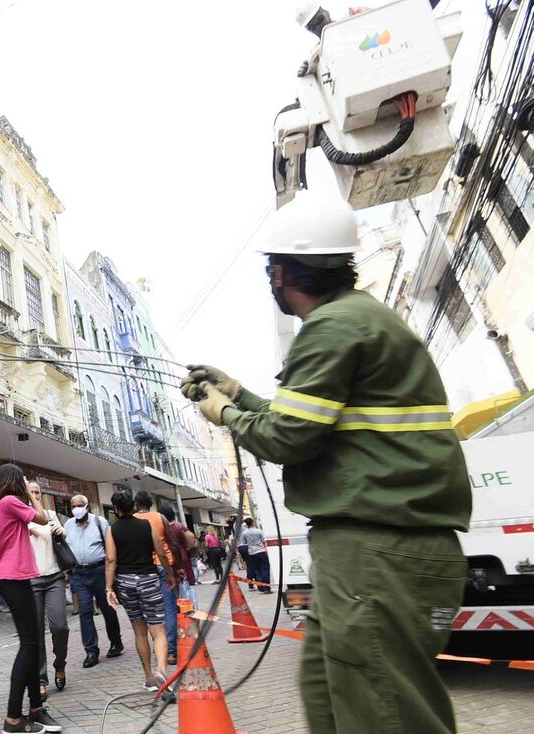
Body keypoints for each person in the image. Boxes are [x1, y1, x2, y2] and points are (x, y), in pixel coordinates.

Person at [181, 192, 471, 734]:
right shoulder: (358, 320)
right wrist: (240, 393)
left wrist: (221, 412)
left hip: (378, 549)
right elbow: (313, 422)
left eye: (271, 269)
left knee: (384, 713)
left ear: (282, 273)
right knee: (328, 692)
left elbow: (290, 437)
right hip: (374, 549)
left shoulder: (334, 327)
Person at [0, 464, 63, 733]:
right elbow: (42, 519)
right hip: (13, 578)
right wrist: (30, 494)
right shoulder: (9, 501)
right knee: (29, 645)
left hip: (16, 577)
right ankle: (13, 718)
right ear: (16, 481)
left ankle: (36, 709)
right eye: (23, 482)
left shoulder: (2, 503)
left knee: (32, 642)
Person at [104, 490, 173, 691]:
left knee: (139, 631)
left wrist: (109, 587)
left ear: (116, 509)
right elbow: (160, 551)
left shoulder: (112, 530)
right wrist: (169, 574)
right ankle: (161, 670)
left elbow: (111, 559)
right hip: (149, 579)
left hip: (125, 583)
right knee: (158, 630)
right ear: (133, 506)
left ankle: (149, 677)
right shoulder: (147, 525)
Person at [63, 494, 124, 668]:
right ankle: (91, 651)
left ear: (87, 506)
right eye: (73, 505)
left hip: (99, 571)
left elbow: (110, 548)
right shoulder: (67, 525)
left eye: (80, 505)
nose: (76, 508)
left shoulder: (100, 522)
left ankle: (116, 642)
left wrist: (111, 574)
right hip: (79, 574)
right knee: (85, 612)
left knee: (107, 609)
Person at [26, 482, 69, 698]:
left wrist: (62, 530)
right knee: (36, 632)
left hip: (54, 577)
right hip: (32, 580)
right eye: (30, 492)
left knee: (59, 625)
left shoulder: (51, 514)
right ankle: (40, 679)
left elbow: (64, 535)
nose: (34, 495)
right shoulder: (22, 516)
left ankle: (60, 664)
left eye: (37, 492)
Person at [133, 490, 184, 665]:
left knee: (150, 611)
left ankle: (158, 648)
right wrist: (178, 567)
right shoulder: (160, 517)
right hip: (164, 565)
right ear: (150, 504)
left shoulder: (132, 520)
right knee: (169, 608)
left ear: (136, 504)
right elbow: (173, 543)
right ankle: (171, 652)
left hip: (144, 569)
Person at [160, 506, 197, 607]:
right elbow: (192, 541)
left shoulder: (165, 530)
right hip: (184, 556)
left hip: (172, 558)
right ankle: (189, 605)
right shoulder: (180, 526)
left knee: (175, 587)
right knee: (185, 584)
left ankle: (180, 609)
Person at [240, 518, 272, 594]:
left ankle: (260, 586)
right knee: (265, 569)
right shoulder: (258, 531)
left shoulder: (245, 533)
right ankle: (267, 588)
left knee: (257, 570)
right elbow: (264, 541)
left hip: (251, 553)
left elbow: (244, 542)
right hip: (261, 552)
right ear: (252, 523)